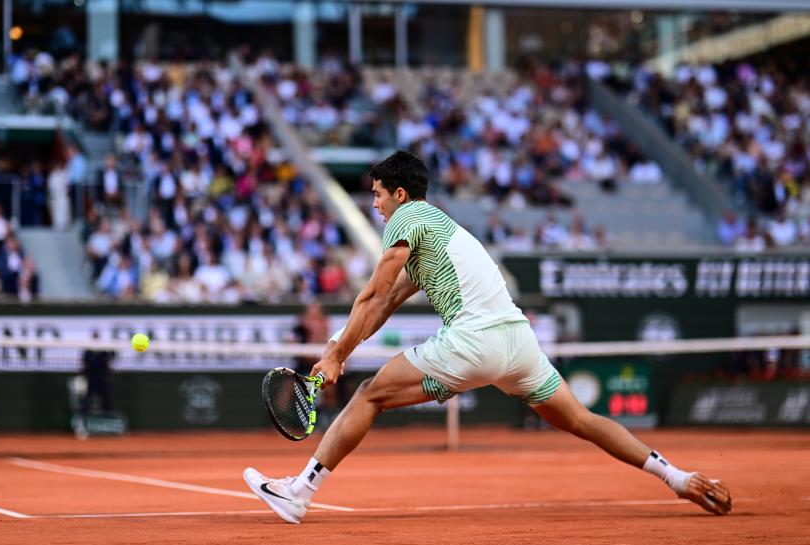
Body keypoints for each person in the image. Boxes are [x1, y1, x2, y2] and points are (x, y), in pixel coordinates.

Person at [243, 151, 731, 524]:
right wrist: (340, 350)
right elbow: (386, 306)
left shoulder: (408, 219)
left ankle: (299, 493)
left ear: (400, 196)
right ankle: (679, 478)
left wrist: (334, 352)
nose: (373, 205)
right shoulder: (436, 233)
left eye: (376, 195)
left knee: (369, 396)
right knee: (581, 419)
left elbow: (373, 294)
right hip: (518, 343)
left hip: (473, 340)